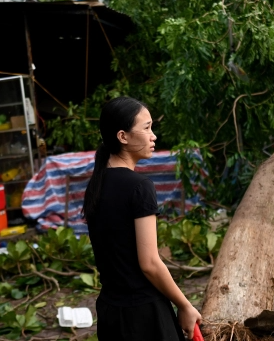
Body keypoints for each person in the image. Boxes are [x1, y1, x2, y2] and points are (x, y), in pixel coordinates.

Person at [84, 97, 202, 340]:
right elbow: (149, 263)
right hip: (144, 316)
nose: (153, 136)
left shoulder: (96, 184)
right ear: (123, 136)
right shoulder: (139, 187)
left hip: (110, 311)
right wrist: (185, 306)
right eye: (146, 128)